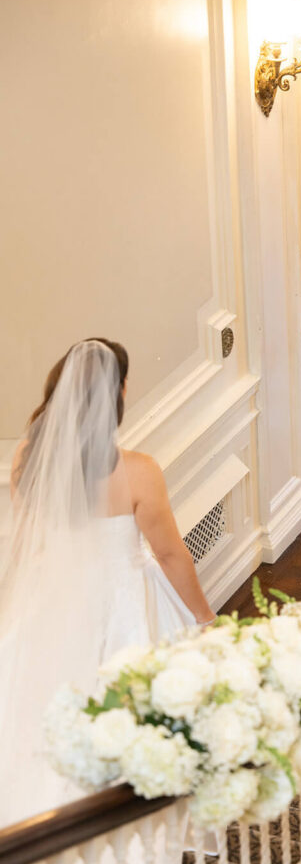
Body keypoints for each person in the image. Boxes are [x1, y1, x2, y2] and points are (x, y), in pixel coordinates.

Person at [0, 338, 216, 829]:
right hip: (125, 604)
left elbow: (35, 539)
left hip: (50, 600)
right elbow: (168, 554)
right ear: (115, 394)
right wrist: (205, 618)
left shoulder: (27, 461)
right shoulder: (138, 471)